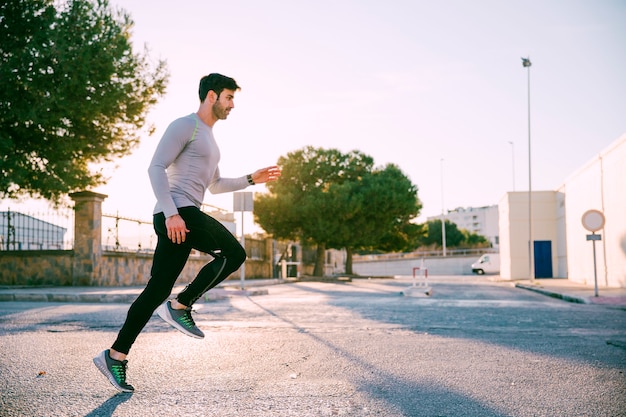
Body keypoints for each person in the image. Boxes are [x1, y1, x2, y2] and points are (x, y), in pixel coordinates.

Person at [93, 73, 281, 392]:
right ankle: (181, 305)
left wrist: (251, 179)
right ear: (211, 96)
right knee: (234, 254)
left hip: (184, 213)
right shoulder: (186, 125)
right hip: (178, 212)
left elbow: (216, 185)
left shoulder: (210, 140)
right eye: (229, 97)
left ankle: (114, 356)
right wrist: (171, 213)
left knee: (156, 290)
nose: (232, 105)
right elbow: (155, 167)